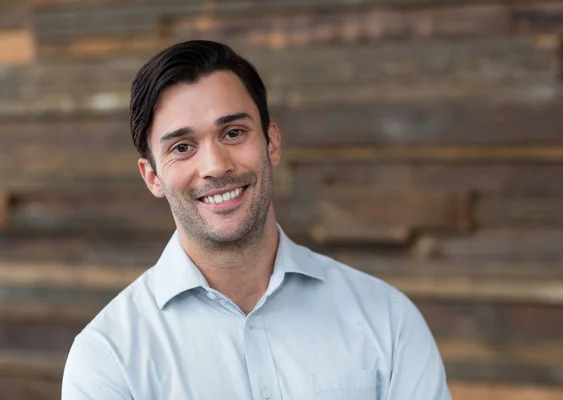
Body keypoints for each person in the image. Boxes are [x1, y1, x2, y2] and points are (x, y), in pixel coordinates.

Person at [62, 40, 452, 400]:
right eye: (182, 147)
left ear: (272, 142)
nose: (215, 166)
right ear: (152, 177)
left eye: (233, 132)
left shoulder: (386, 320)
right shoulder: (107, 359)